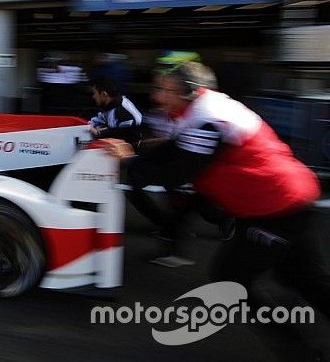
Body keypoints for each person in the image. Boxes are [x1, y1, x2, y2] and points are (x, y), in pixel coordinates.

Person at [102, 62, 327, 323]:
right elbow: (175, 148)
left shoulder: (207, 117)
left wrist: (129, 161)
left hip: (273, 206)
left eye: (166, 90)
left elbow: (177, 175)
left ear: (192, 93)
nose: (157, 96)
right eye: (159, 88)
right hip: (289, 196)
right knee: (307, 280)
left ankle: (299, 350)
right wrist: (134, 153)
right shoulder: (204, 107)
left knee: (229, 280)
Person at [88, 78, 143, 142]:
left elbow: (125, 132)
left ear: (104, 94)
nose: (93, 97)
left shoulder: (122, 110)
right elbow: (102, 120)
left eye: (95, 93)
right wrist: (91, 124)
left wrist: (100, 133)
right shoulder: (109, 106)